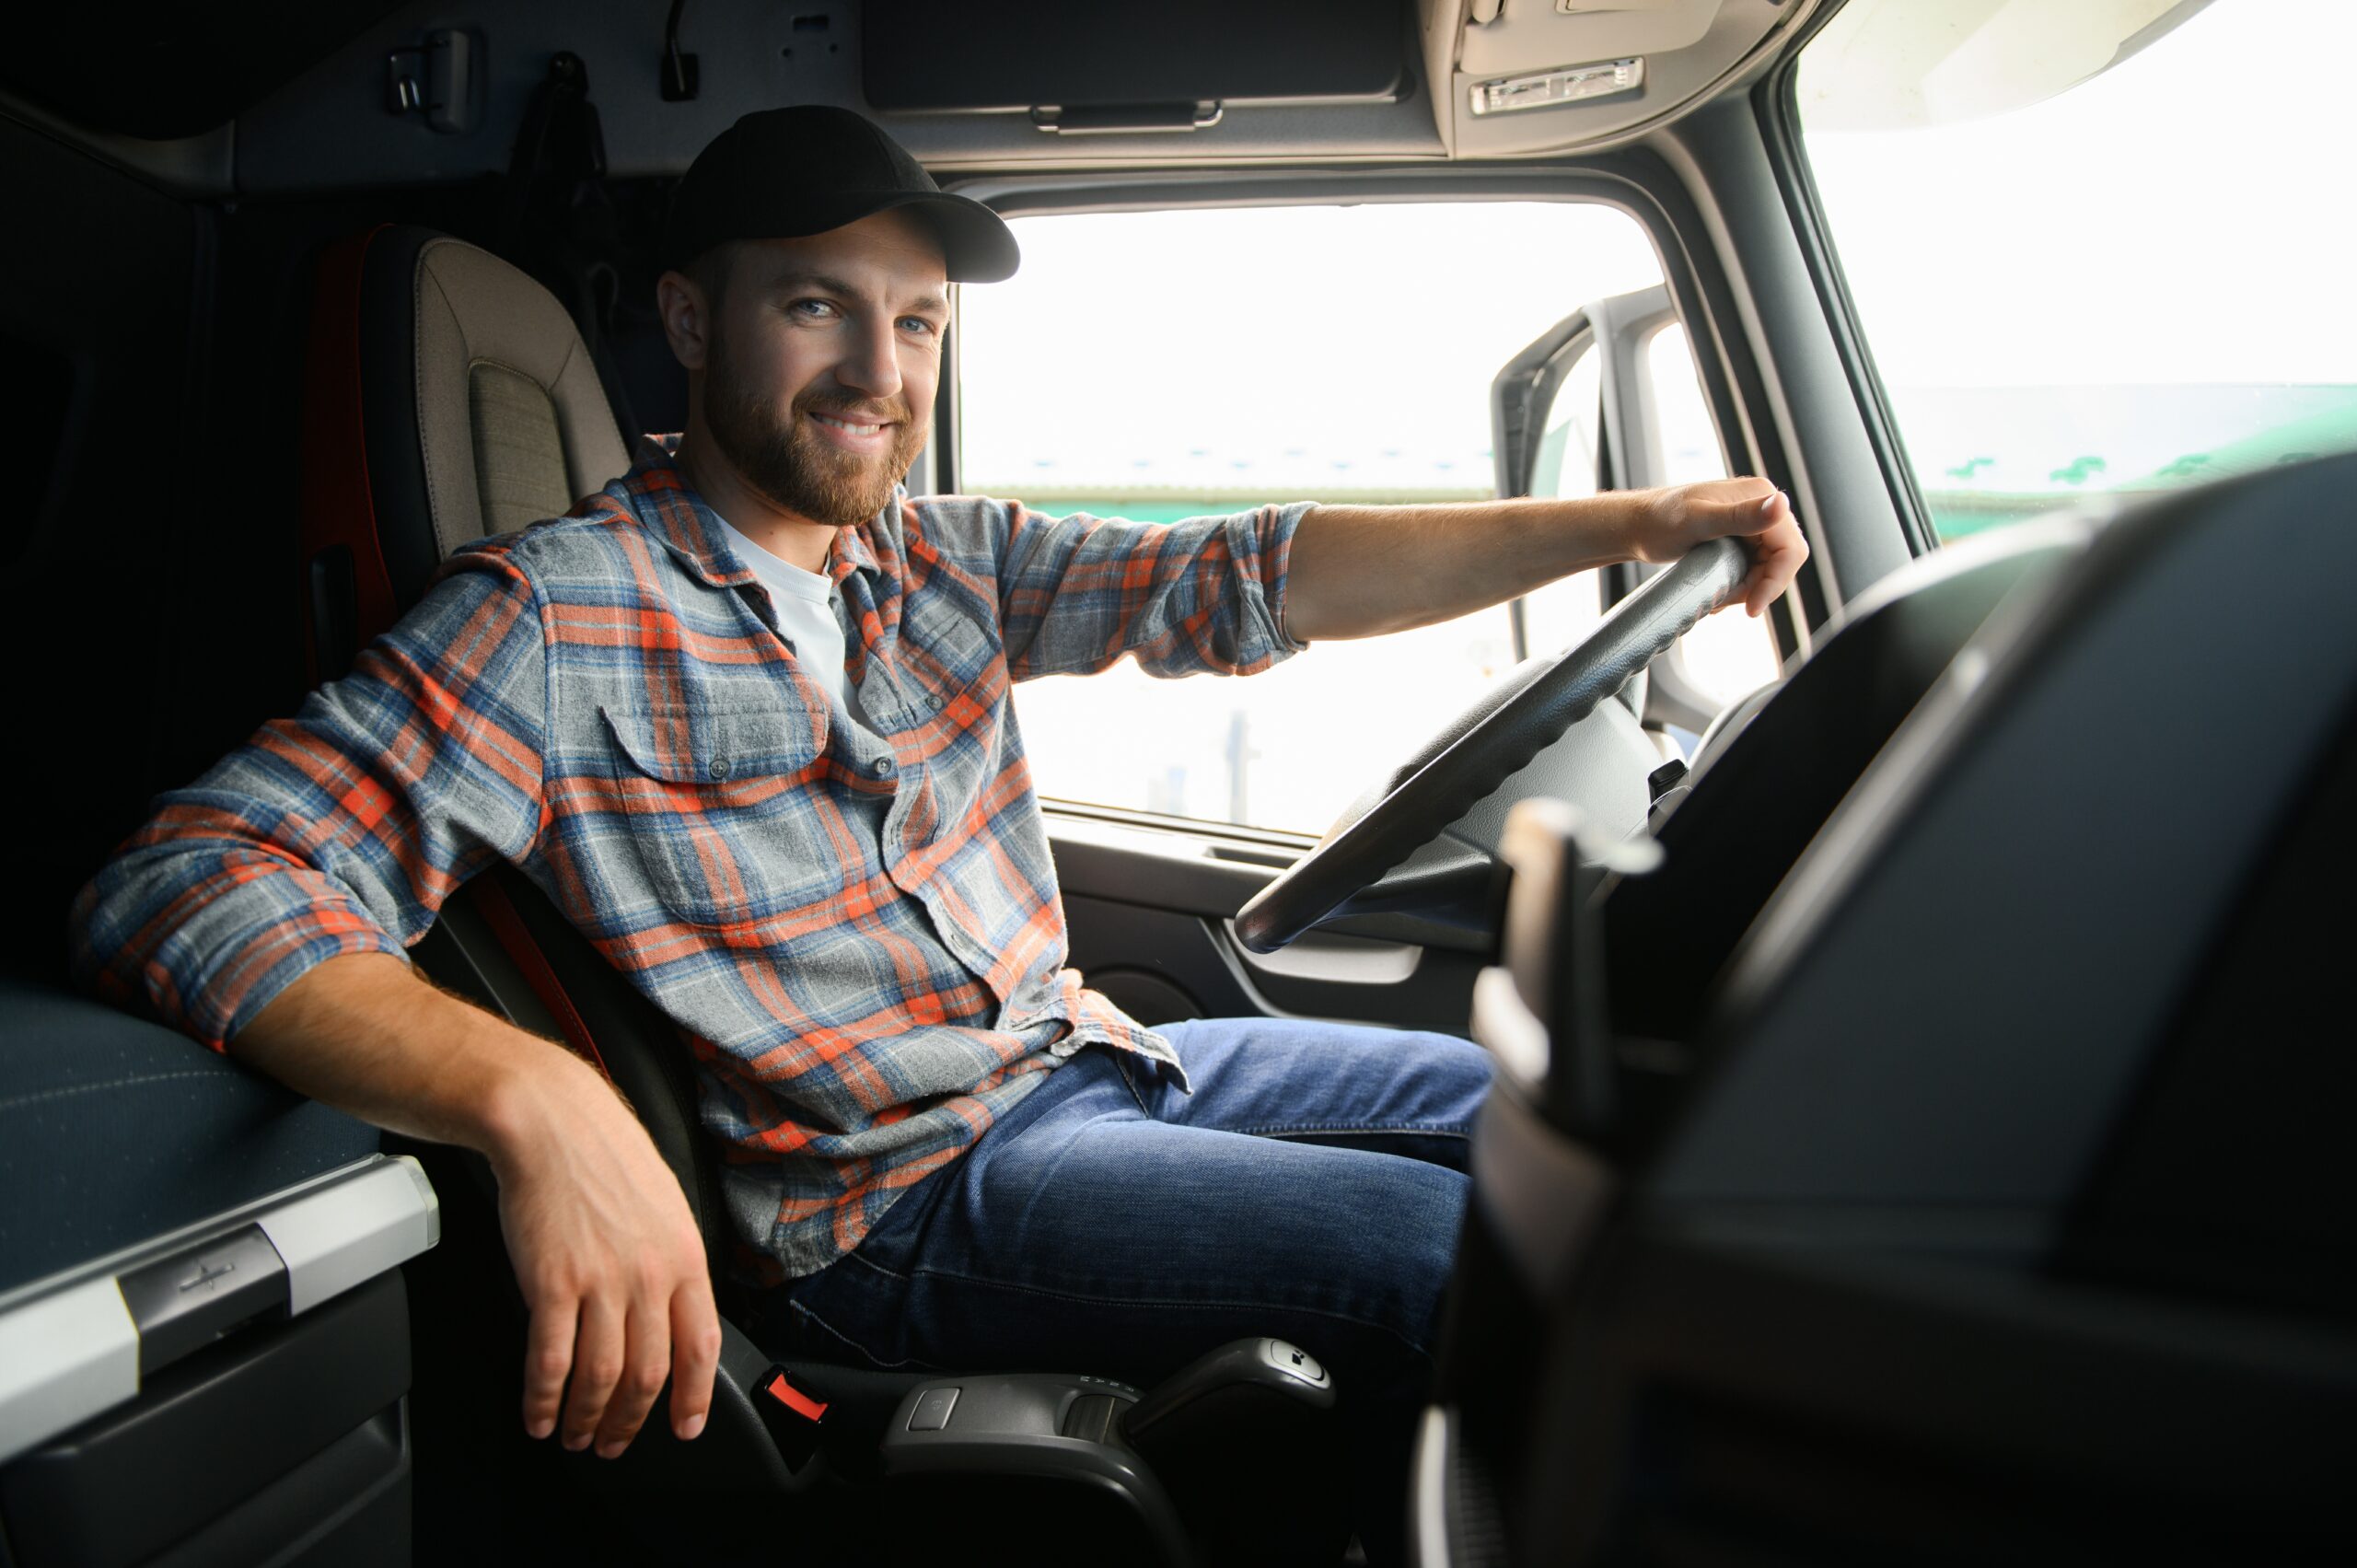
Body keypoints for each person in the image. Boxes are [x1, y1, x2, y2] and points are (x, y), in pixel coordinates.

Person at [72, 106, 1805, 1553]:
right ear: (689, 322)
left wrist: (1640, 519)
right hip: (899, 1206)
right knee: (1456, 1260)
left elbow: (1254, 572)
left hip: (1095, 1062)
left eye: (913, 327)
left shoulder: (937, 557)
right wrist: (538, 1100)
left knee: (1570, 1126)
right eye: (817, 308)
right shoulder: (554, 615)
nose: (875, 371)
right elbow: (193, 880)